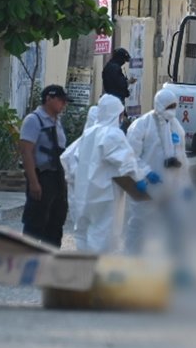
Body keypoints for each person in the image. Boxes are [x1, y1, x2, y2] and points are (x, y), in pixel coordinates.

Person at [67, 94, 157, 253]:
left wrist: (75, 183)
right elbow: (127, 163)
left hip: (85, 194)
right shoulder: (113, 134)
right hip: (105, 195)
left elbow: (69, 159)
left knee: (84, 234)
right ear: (118, 113)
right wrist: (139, 179)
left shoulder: (89, 132)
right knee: (103, 237)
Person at [124, 89, 192, 276]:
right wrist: (146, 173)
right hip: (147, 186)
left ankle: (178, 268)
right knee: (139, 226)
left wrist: (186, 184)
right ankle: (132, 265)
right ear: (159, 104)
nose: (172, 110)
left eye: (174, 106)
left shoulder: (176, 126)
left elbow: (182, 157)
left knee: (177, 225)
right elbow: (130, 157)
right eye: (169, 106)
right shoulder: (141, 126)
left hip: (171, 188)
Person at [19, 84, 70, 247]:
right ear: (49, 98)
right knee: (35, 223)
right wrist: (34, 182)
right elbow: (26, 152)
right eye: (61, 100)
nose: (64, 105)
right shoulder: (34, 120)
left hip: (58, 178)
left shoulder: (56, 121)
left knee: (56, 222)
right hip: (42, 177)